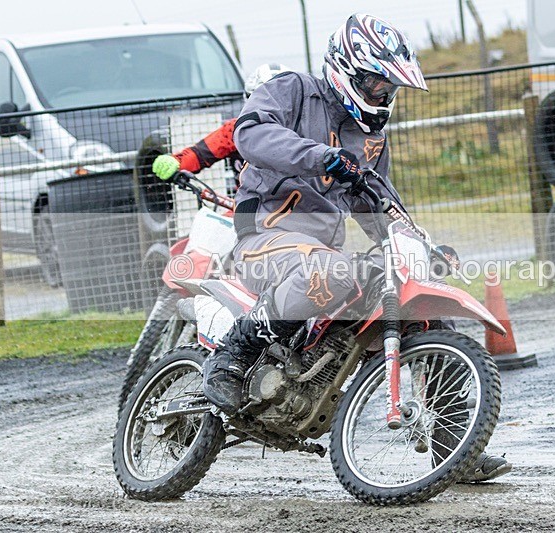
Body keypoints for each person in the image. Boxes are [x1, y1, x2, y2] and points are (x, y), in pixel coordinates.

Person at [203, 13, 512, 483]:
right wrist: (320, 158)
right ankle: (235, 352)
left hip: (318, 250)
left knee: (423, 309)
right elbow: (251, 134)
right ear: (347, 68)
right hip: (265, 233)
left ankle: (455, 451)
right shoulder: (292, 89)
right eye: (375, 84)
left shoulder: (370, 138)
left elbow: (379, 201)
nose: (381, 97)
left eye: (388, 89)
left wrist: (420, 243)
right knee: (331, 272)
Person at [151, 63, 292, 185]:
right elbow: (200, 153)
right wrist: (176, 162)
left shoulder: (308, 130)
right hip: (249, 206)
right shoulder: (235, 130)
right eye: (262, 99)